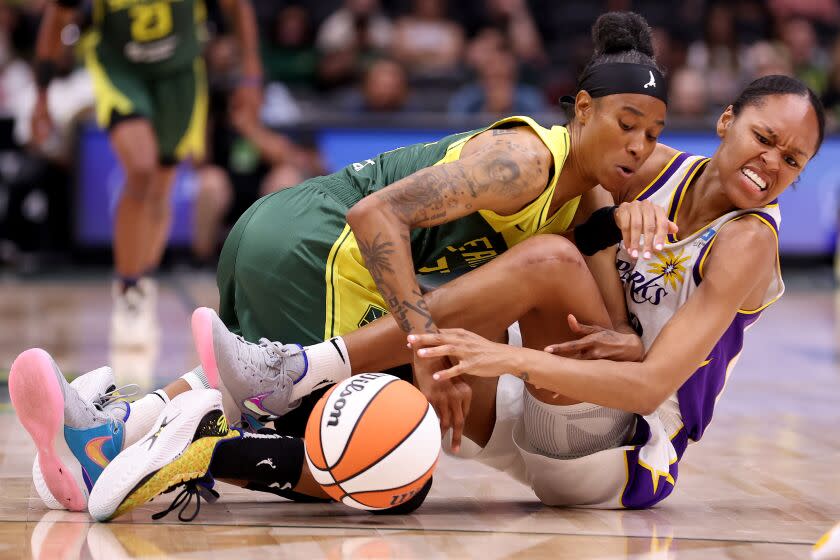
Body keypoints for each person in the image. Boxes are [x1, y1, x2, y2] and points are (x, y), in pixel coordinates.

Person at [32, 0, 262, 348]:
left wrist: (251, 71)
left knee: (161, 185)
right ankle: (127, 287)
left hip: (180, 73)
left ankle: (143, 280)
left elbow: (237, 7)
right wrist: (41, 95)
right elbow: (55, 21)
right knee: (141, 169)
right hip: (121, 70)